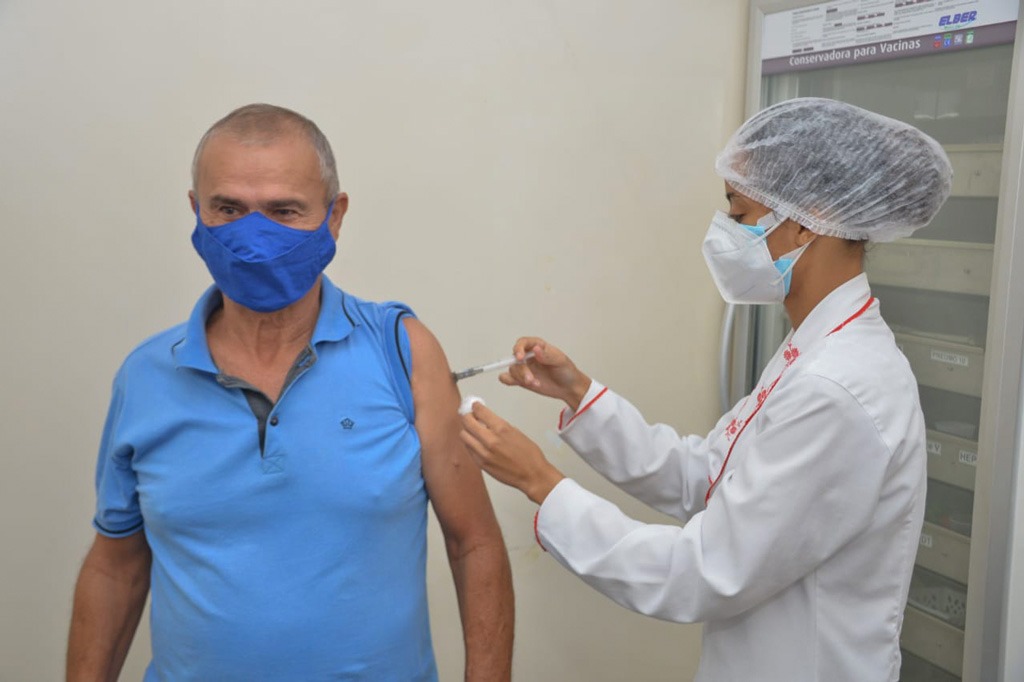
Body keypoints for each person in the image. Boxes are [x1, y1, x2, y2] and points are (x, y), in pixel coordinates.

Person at [460, 97, 952, 681]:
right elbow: (708, 476)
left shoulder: (839, 388)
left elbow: (703, 573)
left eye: (740, 216)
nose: (725, 235)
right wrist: (580, 395)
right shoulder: (815, 351)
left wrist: (541, 482)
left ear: (804, 220)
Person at [67, 104, 514, 681]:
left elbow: (474, 543)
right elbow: (116, 567)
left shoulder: (401, 352)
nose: (254, 236)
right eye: (228, 209)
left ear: (335, 216)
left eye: (284, 211)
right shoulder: (146, 376)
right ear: (196, 211)